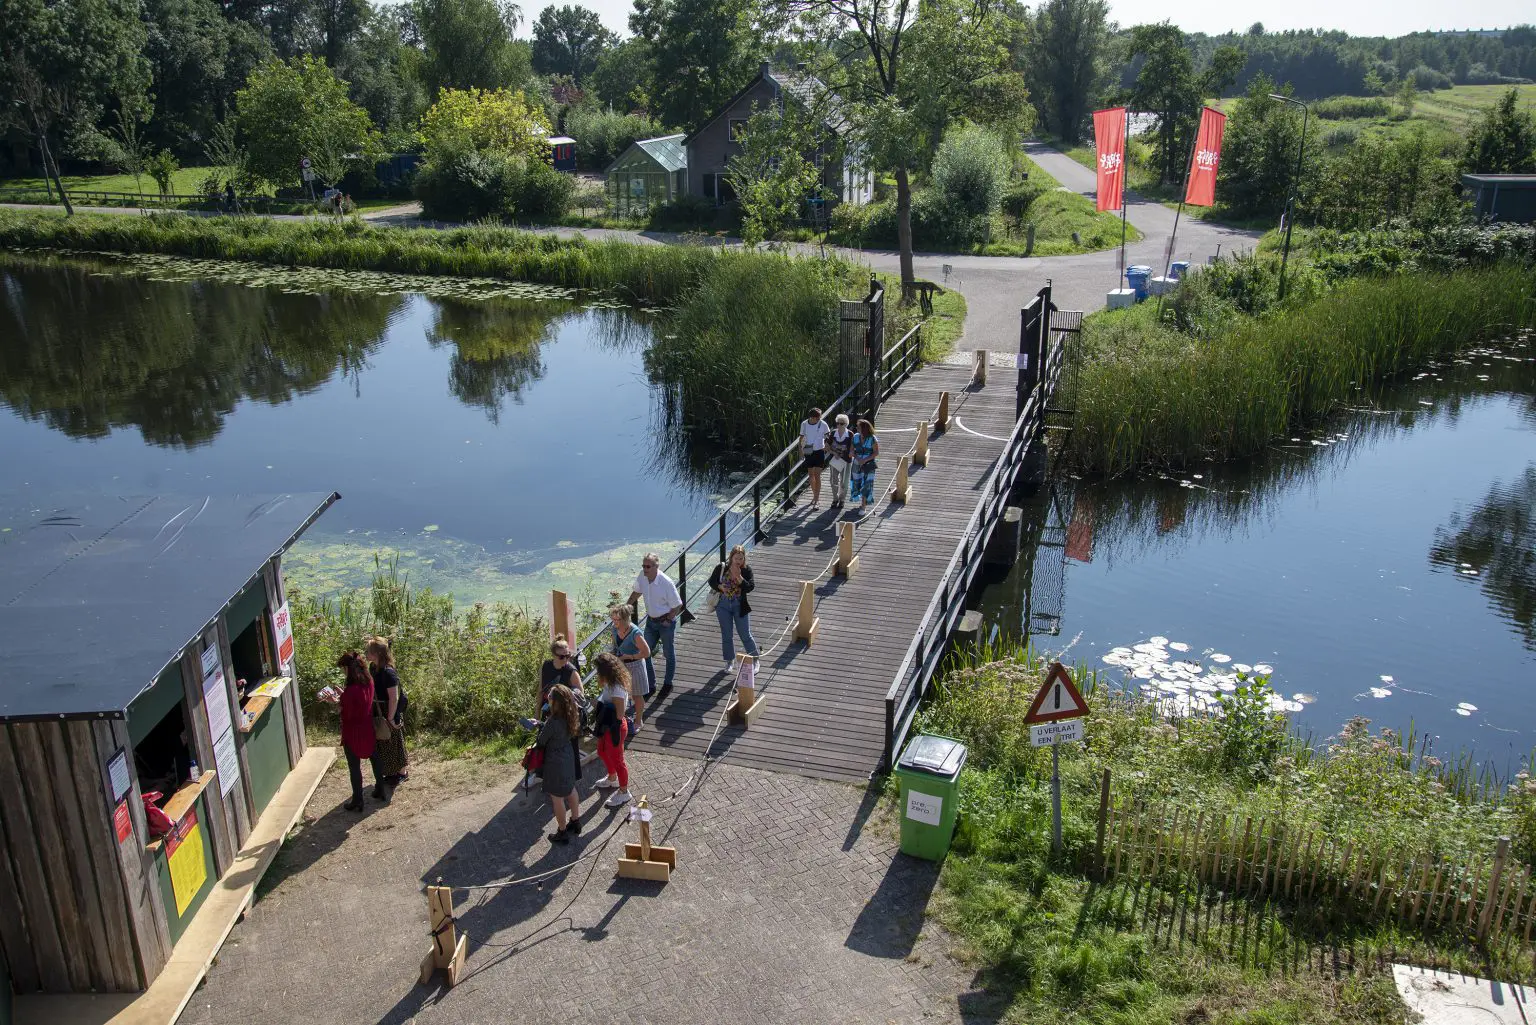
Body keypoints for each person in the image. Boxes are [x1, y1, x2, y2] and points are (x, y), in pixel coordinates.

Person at [325, 651, 379, 812]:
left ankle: (357, 799)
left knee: (354, 767)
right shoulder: (369, 681)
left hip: (352, 731)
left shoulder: (351, 690)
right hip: (368, 727)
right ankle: (381, 788)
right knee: (375, 758)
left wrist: (334, 701)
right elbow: (357, 702)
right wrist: (343, 696)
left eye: (343, 669)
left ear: (348, 669)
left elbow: (345, 711)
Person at [627, 553, 681, 700]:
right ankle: (651, 685)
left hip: (665, 623)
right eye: (643, 566)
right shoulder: (642, 576)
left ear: (657, 566)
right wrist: (626, 607)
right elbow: (637, 592)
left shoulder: (666, 583)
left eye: (648, 566)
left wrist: (668, 620)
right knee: (645, 652)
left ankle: (668, 684)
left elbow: (677, 605)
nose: (645, 569)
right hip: (651, 622)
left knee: (668, 653)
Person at [537, 684, 583, 843]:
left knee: (557, 798)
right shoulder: (572, 715)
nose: (547, 698)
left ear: (555, 702)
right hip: (569, 756)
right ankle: (576, 822)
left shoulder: (553, 721)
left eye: (549, 697)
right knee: (571, 789)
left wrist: (540, 727)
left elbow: (542, 741)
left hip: (555, 762)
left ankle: (562, 831)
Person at [365, 636, 409, 798]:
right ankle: (391, 773)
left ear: (376, 653)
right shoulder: (373, 668)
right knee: (383, 741)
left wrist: (390, 718)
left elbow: (394, 698)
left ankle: (401, 773)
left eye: (368, 651)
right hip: (379, 709)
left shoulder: (389, 672)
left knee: (394, 740)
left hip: (389, 710)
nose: (366, 654)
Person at [590, 653, 633, 808]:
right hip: (606, 726)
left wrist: (599, 705)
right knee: (601, 751)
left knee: (618, 760)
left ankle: (624, 792)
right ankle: (612, 778)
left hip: (615, 727)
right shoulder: (610, 682)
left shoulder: (617, 688)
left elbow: (619, 714)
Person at [707, 544, 760, 670]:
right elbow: (711, 581)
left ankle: (755, 660)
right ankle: (729, 661)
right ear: (731, 557)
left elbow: (750, 587)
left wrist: (739, 577)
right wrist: (720, 587)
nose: (738, 561)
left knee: (745, 634)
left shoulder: (747, 570)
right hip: (723, 605)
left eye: (741, 559)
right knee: (727, 634)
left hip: (739, 604)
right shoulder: (722, 567)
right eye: (736, 558)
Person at [610, 605, 652, 732]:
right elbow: (615, 646)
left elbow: (647, 652)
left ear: (625, 619)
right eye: (613, 619)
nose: (615, 622)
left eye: (617, 620)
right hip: (621, 665)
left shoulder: (635, 633)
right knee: (620, 693)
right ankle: (621, 719)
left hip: (635, 665)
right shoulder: (613, 629)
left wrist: (630, 656)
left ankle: (638, 721)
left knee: (637, 695)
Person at [799, 407, 831, 508]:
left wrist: (827, 444)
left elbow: (827, 436)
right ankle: (814, 496)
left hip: (819, 451)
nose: (819, 419)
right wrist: (800, 451)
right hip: (808, 451)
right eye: (817, 418)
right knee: (811, 475)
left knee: (817, 475)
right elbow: (801, 438)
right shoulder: (804, 424)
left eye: (819, 418)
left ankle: (816, 500)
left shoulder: (823, 424)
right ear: (811, 417)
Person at [850, 419, 880, 510]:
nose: (856, 428)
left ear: (864, 429)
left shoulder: (872, 438)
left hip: (869, 464)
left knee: (867, 484)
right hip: (857, 463)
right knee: (857, 482)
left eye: (858, 427)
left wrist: (865, 459)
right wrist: (858, 458)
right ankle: (862, 501)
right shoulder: (855, 437)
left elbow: (876, 452)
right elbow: (851, 450)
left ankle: (863, 506)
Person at [827, 413, 854, 510]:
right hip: (835, 460)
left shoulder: (850, 434)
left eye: (841, 424)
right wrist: (834, 453)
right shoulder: (833, 433)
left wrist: (851, 452)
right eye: (837, 423)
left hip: (846, 461)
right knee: (833, 480)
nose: (839, 425)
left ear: (846, 424)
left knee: (844, 482)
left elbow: (852, 449)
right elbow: (827, 447)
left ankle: (842, 500)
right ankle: (835, 499)